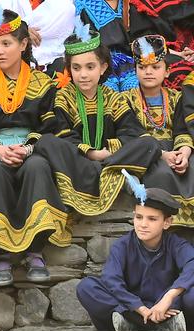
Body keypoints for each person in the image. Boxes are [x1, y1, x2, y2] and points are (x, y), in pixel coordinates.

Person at [0, 4, 70, 287]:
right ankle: (1, 255)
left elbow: (50, 127)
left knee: (37, 167)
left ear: (23, 44)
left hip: (31, 149)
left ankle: (35, 251)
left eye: (6, 43)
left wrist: (29, 148)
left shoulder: (43, 83)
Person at [34, 22, 160, 217]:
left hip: (108, 157)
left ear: (103, 68)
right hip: (80, 163)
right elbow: (63, 135)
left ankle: (107, 168)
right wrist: (92, 153)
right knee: (47, 142)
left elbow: (132, 133)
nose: (83, 74)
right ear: (69, 70)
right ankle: (112, 172)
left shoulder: (113, 97)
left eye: (90, 67)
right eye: (76, 68)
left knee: (149, 143)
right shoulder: (63, 97)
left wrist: (107, 152)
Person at [75, 172, 194, 331]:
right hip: (131, 310)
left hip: (168, 310)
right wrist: (140, 309)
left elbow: (191, 265)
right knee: (86, 287)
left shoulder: (176, 245)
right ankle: (138, 322)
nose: (143, 224)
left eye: (152, 219)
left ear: (167, 222)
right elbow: (112, 281)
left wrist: (168, 298)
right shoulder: (122, 246)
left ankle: (166, 324)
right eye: (139, 217)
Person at [128, 35, 194, 228]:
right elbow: (132, 134)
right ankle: (168, 225)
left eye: (155, 67)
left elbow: (182, 129)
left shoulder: (177, 97)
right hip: (149, 154)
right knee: (161, 174)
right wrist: (162, 154)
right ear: (135, 70)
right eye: (142, 67)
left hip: (176, 149)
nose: (148, 72)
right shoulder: (126, 100)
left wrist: (185, 152)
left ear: (167, 71)